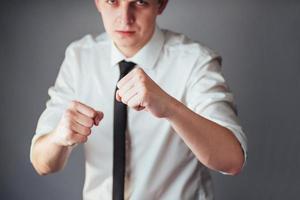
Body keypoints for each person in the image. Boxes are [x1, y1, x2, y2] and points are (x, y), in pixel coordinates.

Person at [30, 0, 247, 199]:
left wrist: (170, 108)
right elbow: (42, 164)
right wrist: (59, 137)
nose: (125, 17)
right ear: (97, 2)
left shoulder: (196, 62)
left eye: (140, 2)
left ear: (161, 4)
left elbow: (232, 161)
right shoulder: (80, 57)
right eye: (112, 1)